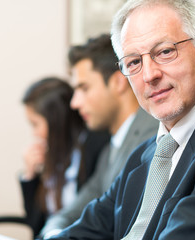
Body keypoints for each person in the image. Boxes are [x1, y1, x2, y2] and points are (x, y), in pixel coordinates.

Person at [39, 0, 195, 239]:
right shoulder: (143, 155)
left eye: (165, 52)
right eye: (134, 62)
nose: (149, 75)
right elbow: (87, 229)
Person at [39, 34, 158, 238]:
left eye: (84, 88)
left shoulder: (153, 138)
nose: (74, 103)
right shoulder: (109, 149)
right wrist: (54, 234)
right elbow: (72, 212)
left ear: (118, 82)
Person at [19, 77, 110, 236]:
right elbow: (36, 227)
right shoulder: (53, 156)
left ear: (56, 121)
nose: (34, 134)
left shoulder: (97, 146)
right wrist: (30, 176)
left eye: (35, 124)